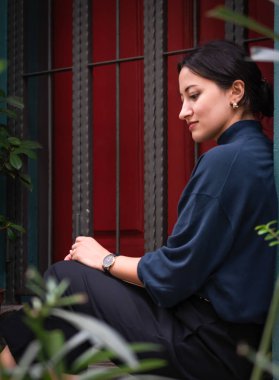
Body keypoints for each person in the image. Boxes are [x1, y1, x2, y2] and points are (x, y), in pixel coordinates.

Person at [0, 39, 277, 379]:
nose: (183, 112)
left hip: (209, 347)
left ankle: (10, 369)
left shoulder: (226, 161)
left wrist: (105, 259)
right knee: (76, 289)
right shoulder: (264, 156)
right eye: (181, 99)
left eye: (194, 95)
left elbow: (173, 276)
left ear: (236, 91)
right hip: (245, 345)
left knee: (67, 277)